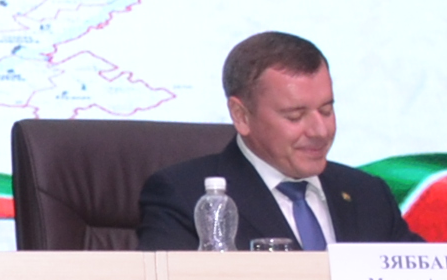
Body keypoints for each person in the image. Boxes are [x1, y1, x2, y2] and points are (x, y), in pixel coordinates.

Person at [136, 30, 414, 249]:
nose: (320, 131)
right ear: (242, 116)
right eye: (295, 116)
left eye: (326, 110)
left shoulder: (368, 194)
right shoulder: (184, 196)